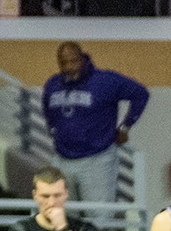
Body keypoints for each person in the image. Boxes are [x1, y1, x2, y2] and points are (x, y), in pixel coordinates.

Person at [43, 42, 149, 205]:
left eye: (73, 61)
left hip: (97, 159)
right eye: (64, 63)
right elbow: (47, 107)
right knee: (60, 214)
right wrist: (54, 129)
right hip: (63, 157)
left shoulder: (105, 81)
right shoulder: (53, 84)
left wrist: (125, 126)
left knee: (99, 216)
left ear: (82, 59)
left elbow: (140, 94)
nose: (70, 67)